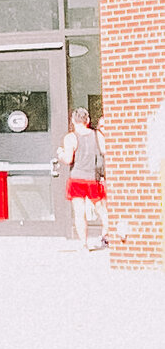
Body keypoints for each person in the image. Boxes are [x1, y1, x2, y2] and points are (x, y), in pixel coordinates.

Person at [59, 98, 107, 251]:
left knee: (80, 213)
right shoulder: (97, 135)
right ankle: (107, 235)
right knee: (101, 209)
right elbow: (105, 152)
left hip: (77, 179)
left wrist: (60, 153)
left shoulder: (70, 138)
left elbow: (68, 159)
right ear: (88, 120)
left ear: (73, 120)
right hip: (93, 178)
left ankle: (84, 244)